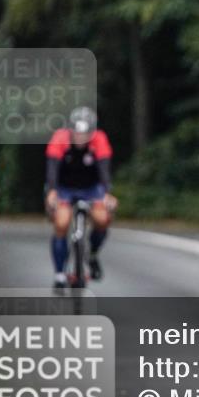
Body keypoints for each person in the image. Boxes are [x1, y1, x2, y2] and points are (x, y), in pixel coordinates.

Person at [44, 106, 117, 289]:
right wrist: (52, 192)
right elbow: (52, 168)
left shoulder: (100, 140)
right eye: (76, 132)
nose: (80, 138)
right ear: (70, 129)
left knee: (102, 219)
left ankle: (92, 253)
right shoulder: (59, 139)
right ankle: (60, 273)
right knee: (61, 222)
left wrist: (107, 193)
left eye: (85, 134)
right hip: (64, 187)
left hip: (91, 187)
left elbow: (104, 169)